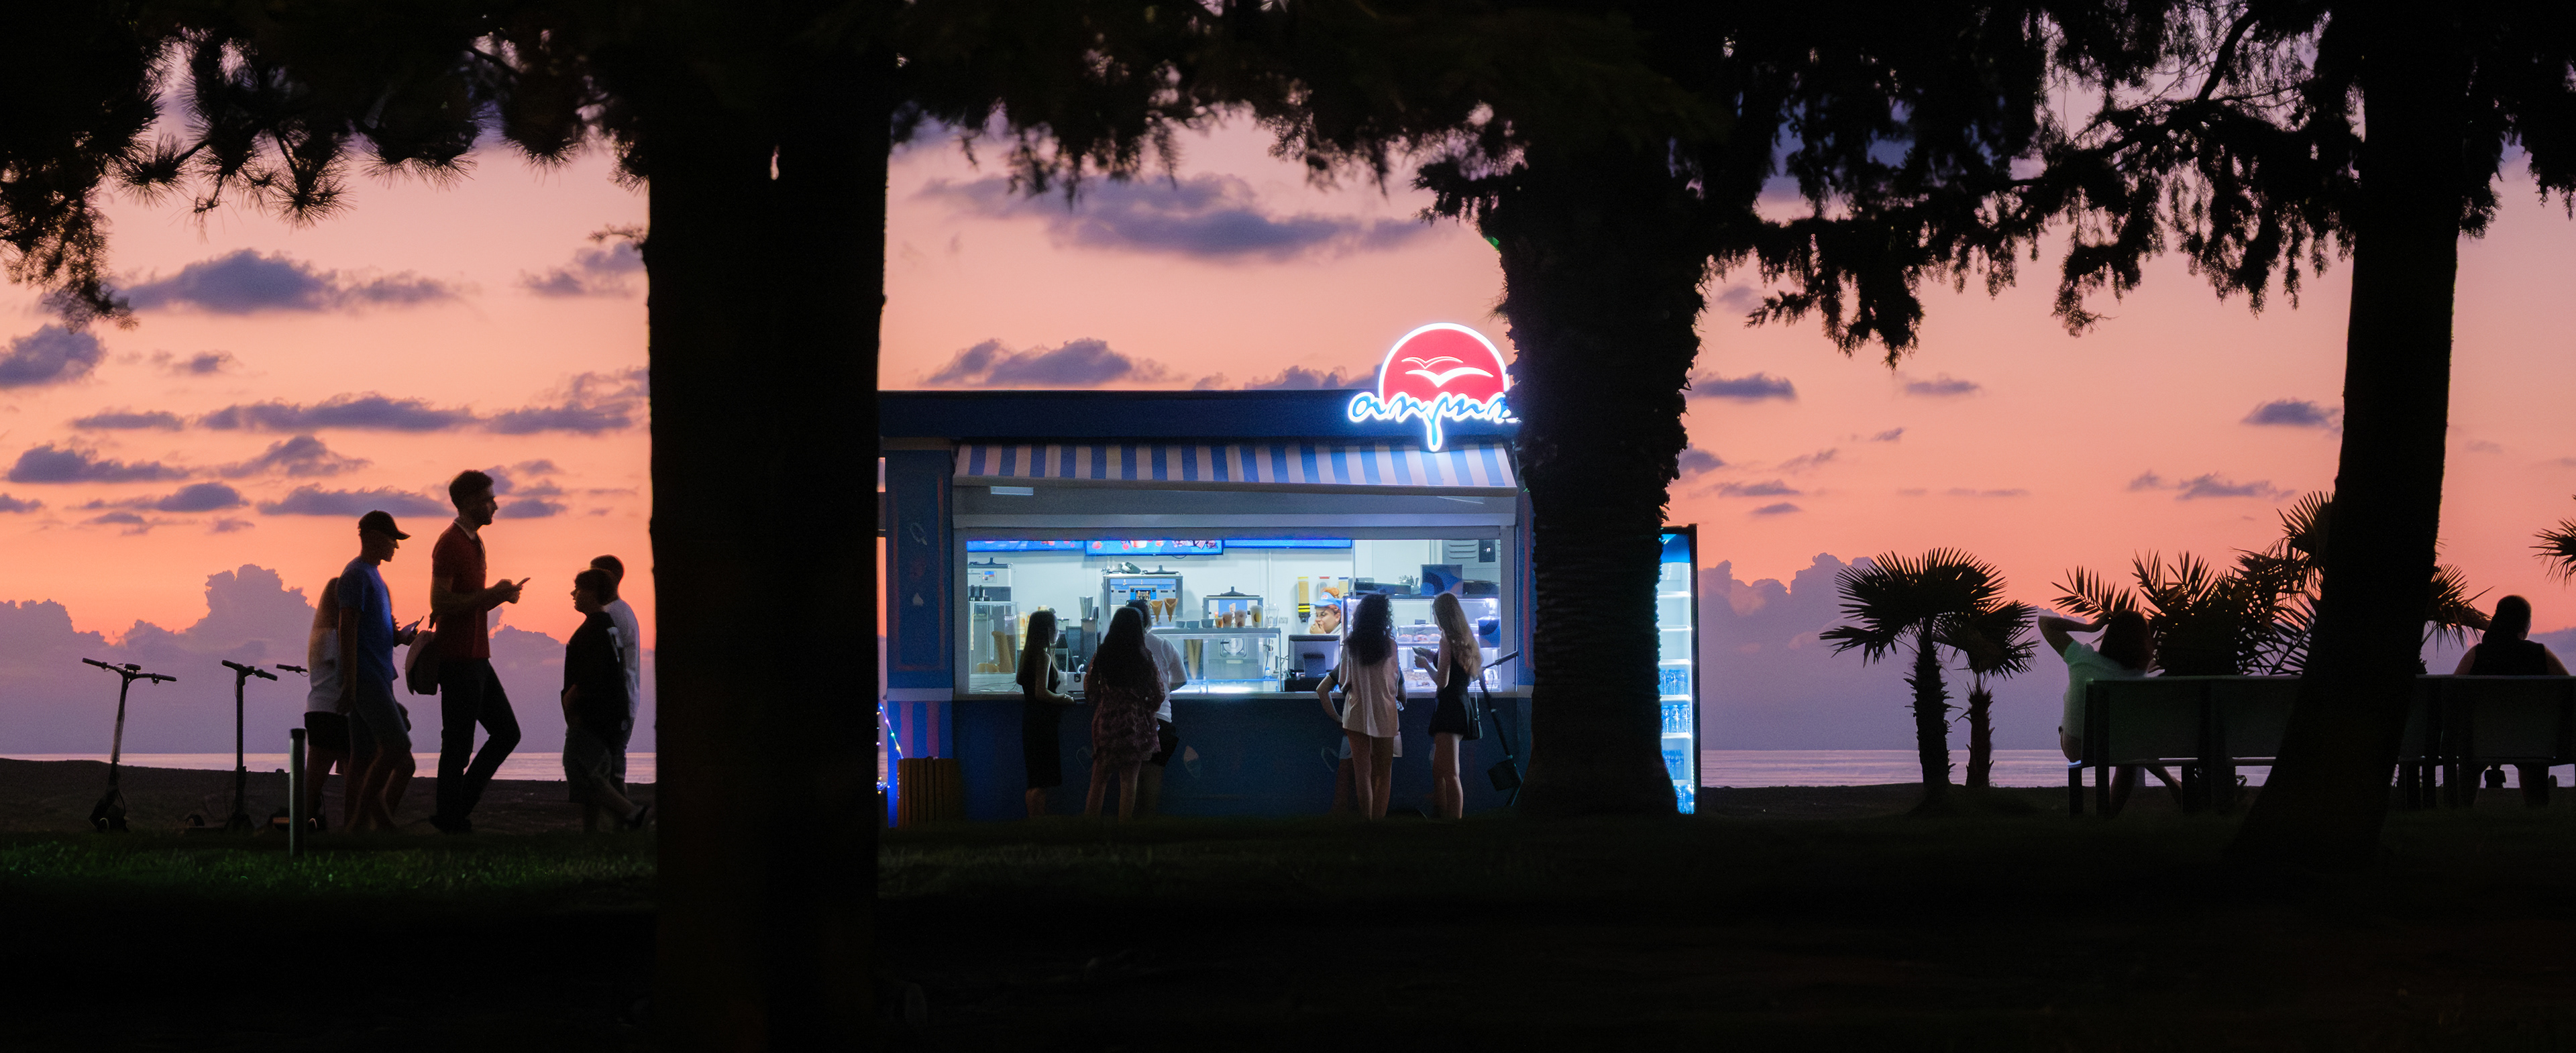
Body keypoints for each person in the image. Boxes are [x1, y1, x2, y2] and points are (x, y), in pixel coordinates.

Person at [427, 469, 529, 834]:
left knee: (506, 733)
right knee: (458, 743)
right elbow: (440, 603)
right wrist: (492, 596)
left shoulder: (475, 543)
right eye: (489, 498)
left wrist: (500, 596)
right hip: (458, 659)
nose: (495, 505)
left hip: (478, 658)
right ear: (470, 501)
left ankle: (454, 811)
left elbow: (468, 604)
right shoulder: (450, 543)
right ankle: (450, 817)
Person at [2039, 610, 2176, 815]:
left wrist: (2091, 627)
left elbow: (2044, 623)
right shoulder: (2138, 677)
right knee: (2130, 757)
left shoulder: (2082, 659)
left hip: (2077, 746)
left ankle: (2171, 783)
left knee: (2128, 749)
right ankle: (2110, 815)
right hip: (2119, 748)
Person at [339, 510, 421, 833]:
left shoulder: (376, 579)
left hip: (379, 678)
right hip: (367, 679)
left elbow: (375, 631)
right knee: (398, 748)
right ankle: (370, 823)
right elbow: (348, 628)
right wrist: (350, 680)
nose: (396, 547)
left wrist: (402, 637)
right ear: (372, 536)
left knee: (361, 760)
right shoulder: (356, 575)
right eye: (392, 539)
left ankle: (357, 830)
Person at [2452, 596, 2571, 805]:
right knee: (2531, 755)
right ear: (2526, 625)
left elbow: (2450, 695)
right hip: (2532, 742)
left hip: (2480, 741)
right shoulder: (2540, 654)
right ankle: (2536, 809)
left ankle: (2463, 810)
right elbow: (2571, 690)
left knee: (2470, 755)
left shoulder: (2477, 655)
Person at [563, 569, 650, 832]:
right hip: (609, 714)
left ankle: (633, 813)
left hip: (592, 715)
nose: (573, 594)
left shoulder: (594, 630)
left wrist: (571, 699)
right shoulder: (607, 626)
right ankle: (592, 833)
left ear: (592, 593)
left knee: (583, 771)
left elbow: (592, 675)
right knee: (594, 774)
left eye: (578, 588)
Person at [1322, 593, 1403, 820]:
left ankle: (1366, 824)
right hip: (1385, 712)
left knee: (1362, 774)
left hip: (1356, 712)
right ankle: (1378, 824)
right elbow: (1393, 682)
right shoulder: (1391, 646)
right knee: (1383, 774)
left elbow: (1345, 681)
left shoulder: (1350, 646)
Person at [1083, 606, 1164, 821]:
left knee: (1099, 779)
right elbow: (1158, 694)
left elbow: (1089, 687)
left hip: (1107, 720)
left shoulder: (1102, 654)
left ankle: (1087, 833)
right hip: (1135, 722)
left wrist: (1103, 700)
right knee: (1129, 782)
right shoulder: (1145, 657)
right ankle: (1124, 833)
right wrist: (1144, 708)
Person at [1417, 592, 1485, 820]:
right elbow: (1461, 674)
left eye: (1435, 614)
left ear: (1442, 615)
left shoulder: (1445, 639)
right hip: (1461, 704)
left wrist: (1425, 664)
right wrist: (1434, 655)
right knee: (1439, 769)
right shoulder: (1465, 638)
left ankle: (1453, 822)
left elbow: (1442, 681)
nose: (1434, 619)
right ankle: (1441, 813)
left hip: (1448, 708)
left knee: (1450, 773)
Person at [1124, 598, 1188, 815]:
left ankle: (1127, 830)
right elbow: (1181, 679)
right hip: (1160, 719)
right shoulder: (1163, 645)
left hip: (1128, 721)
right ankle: (1148, 828)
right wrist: (1163, 689)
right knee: (1153, 774)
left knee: (1129, 776)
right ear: (1149, 621)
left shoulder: (1117, 646)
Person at [590, 555, 644, 796]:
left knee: (611, 768)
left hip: (618, 701)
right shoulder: (618, 611)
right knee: (611, 766)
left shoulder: (614, 614)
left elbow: (611, 663)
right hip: (621, 698)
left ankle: (625, 820)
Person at [301, 577, 350, 832]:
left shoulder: (319, 636)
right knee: (351, 775)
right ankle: (354, 828)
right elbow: (347, 669)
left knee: (314, 781)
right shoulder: (334, 637)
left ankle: (299, 828)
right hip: (334, 711)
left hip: (318, 709)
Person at [1017, 609, 1077, 818]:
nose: (1058, 632)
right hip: (1042, 725)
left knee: (1034, 780)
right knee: (1040, 783)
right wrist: (1064, 699)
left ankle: (1035, 824)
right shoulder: (1043, 657)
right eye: (1055, 628)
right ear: (1047, 630)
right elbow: (1041, 693)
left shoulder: (1028, 655)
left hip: (1031, 722)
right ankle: (1039, 826)